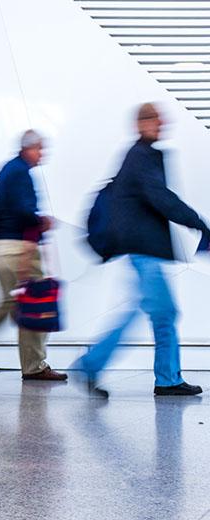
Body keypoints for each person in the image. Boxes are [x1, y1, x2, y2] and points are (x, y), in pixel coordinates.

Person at [74, 103, 210, 399]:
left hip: (143, 249)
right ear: (140, 123)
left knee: (160, 313)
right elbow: (159, 196)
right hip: (142, 249)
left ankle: (166, 378)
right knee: (158, 312)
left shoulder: (142, 155)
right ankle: (93, 365)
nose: (160, 123)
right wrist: (197, 222)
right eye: (153, 119)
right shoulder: (140, 156)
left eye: (161, 119)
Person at [0, 131, 67, 381]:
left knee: (11, 303)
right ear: (28, 148)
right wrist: (43, 221)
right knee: (36, 303)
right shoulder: (20, 172)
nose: (43, 154)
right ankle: (34, 366)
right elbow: (23, 210)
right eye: (40, 149)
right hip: (15, 248)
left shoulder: (7, 169)